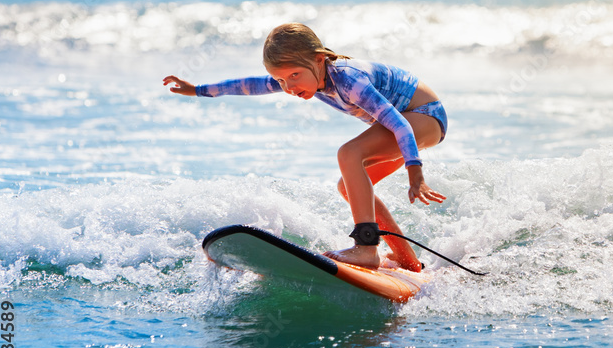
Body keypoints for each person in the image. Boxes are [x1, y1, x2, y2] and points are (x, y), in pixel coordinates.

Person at [163, 22, 447, 271]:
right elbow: (248, 85)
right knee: (347, 186)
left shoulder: (350, 79)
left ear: (320, 59)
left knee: (349, 154)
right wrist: (197, 89)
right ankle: (407, 260)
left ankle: (366, 249)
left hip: (424, 117)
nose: (287, 86)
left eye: (294, 76)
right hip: (406, 126)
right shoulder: (309, 77)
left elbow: (399, 124)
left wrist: (415, 171)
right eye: (281, 80)